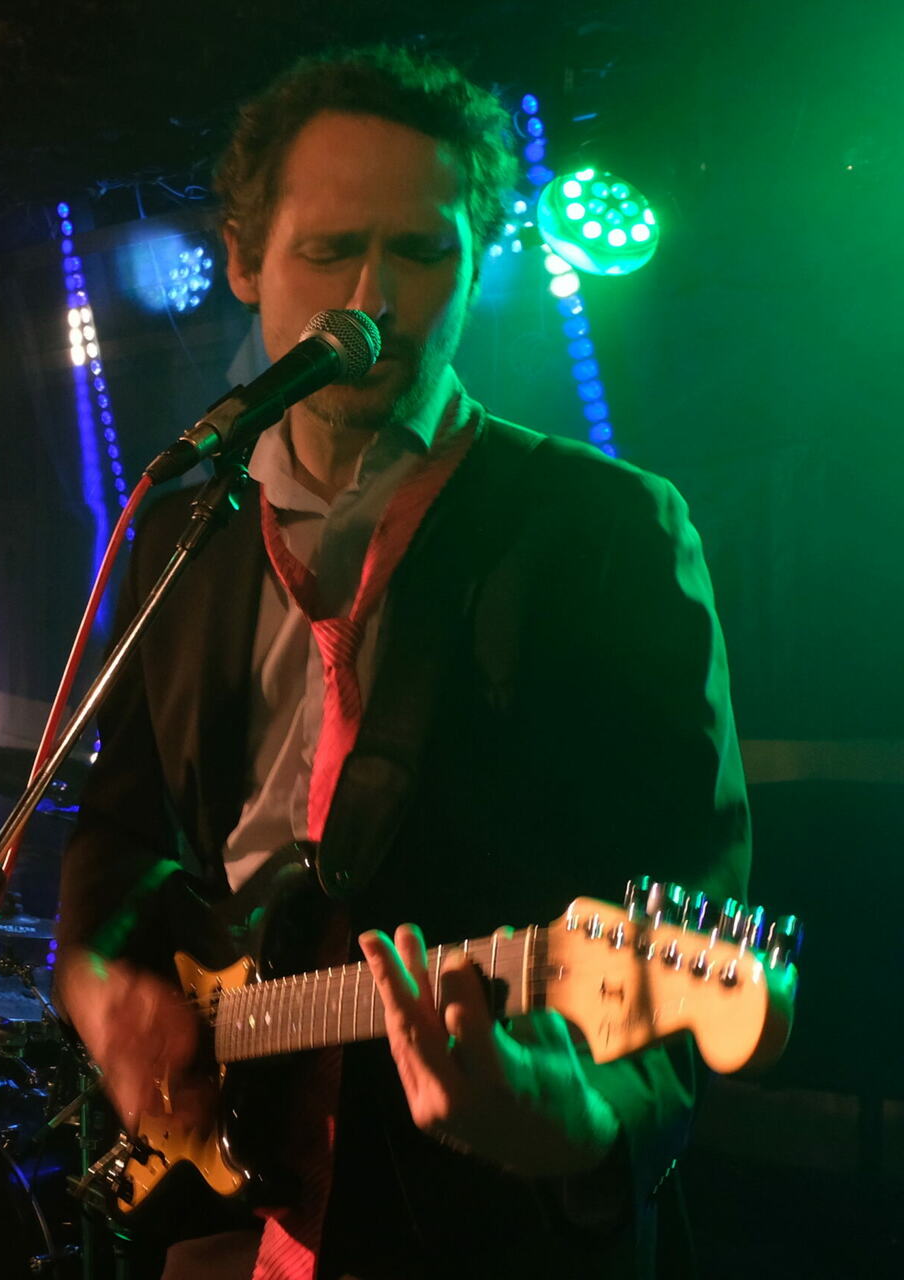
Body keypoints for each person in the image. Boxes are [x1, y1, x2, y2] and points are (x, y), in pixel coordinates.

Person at [55, 46, 749, 1279]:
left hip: (485, 1224)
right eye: (330, 252)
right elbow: (120, 824)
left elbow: (685, 899)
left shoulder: (607, 532)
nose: (373, 299)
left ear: (476, 266)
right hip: (230, 1191)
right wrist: (104, 984)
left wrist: (583, 1117)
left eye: (422, 253)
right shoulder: (184, 532)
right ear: (242, 260)